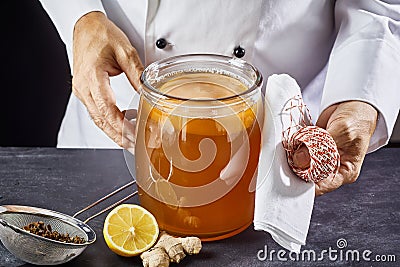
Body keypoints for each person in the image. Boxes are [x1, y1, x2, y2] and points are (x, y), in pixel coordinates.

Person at [39, 0, 399, 196]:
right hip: (114, 131)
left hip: (280, 157)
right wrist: (80, 16)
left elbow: (381, 5)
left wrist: (359, 96)